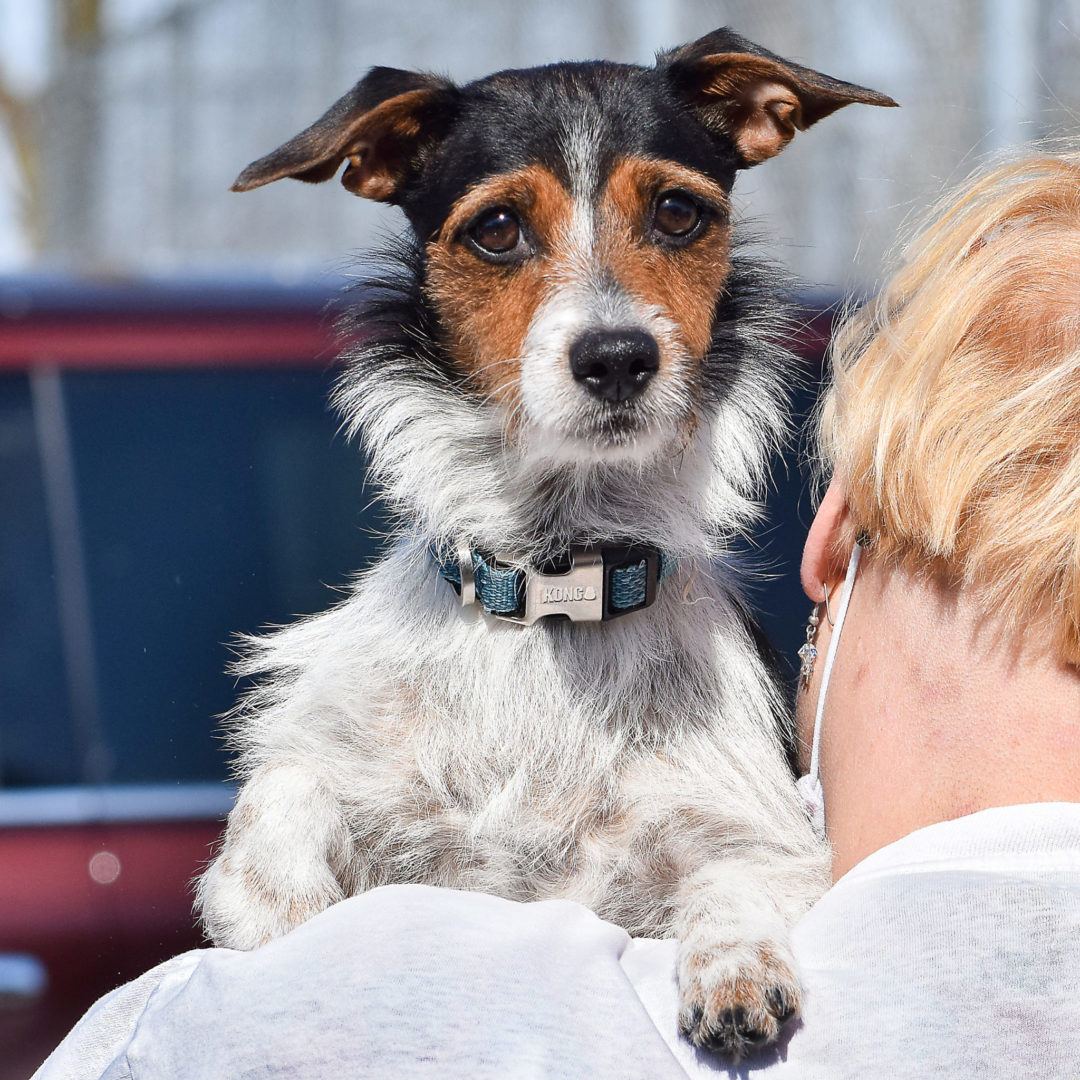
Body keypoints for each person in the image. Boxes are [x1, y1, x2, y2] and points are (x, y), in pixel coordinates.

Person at [33, 147, 1080, 1079]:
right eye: (500, 231)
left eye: (674, 218)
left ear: (835, 531)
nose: (608, 320)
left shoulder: (201, 1035)